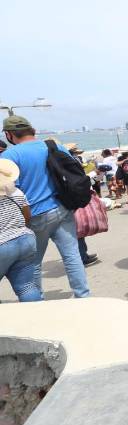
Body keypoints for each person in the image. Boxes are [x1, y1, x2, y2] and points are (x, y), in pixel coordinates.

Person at [1, 116, 90, 298]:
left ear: (9, 134)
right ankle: (83, 295)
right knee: (72, 255)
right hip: (62, 208)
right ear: (31, 130)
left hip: (34, 214)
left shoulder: (9, 156)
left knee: (32, 263)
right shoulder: (53, 146)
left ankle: (37, 300)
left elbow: (8, 190)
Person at [0, 159, 42, 302]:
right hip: (24, 239)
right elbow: (27, 215)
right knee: (27, 287)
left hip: (1, 244)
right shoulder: (16, 192)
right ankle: (39, 318)